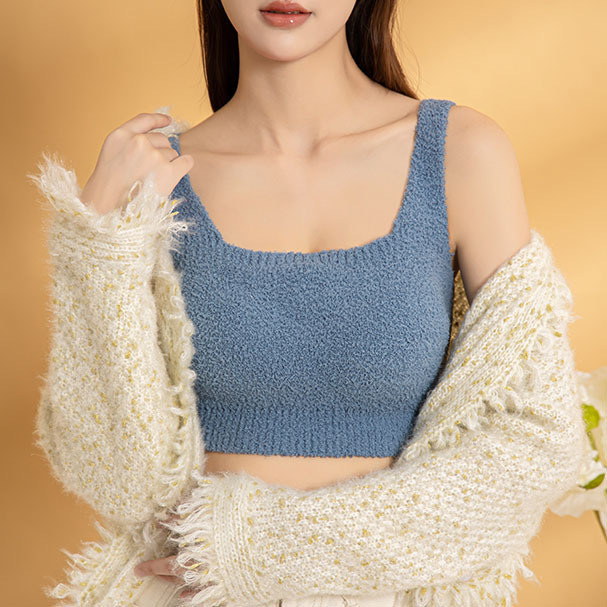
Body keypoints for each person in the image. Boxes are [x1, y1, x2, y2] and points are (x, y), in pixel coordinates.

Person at [30, 1, 585, 606]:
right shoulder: (151, 179)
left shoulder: (461, 154)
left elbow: (536, 441)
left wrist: (263, 549)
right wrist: (100, 244)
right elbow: (116, 480)